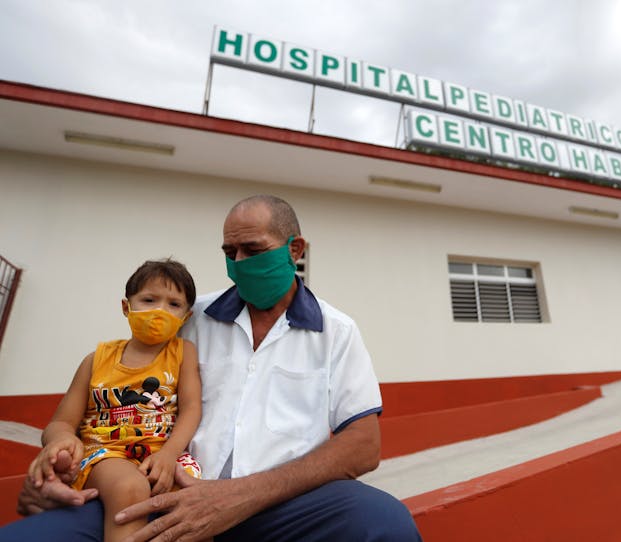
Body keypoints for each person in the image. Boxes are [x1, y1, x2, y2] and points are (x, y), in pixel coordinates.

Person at [2, 195, 421, 542]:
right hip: (163, 493)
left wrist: (240, 496)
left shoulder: (336, 331)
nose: (238, 261)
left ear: (295, 249)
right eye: (229, 252)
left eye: (252, 250)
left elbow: (364, 445)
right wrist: (54, 466)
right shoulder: (189, 316)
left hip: (280, 506)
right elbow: (114, 389)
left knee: (386, 524)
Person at [20, 259, 202, 541]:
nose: (159, 311)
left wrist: (169, 453)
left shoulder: (183, 353)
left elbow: (191, 408)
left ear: (186, 317)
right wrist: (60, 441)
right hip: (106, 452)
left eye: (173, 304)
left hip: (162, 453)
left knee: (197, 503)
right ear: (126, 307)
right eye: (149, 299)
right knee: (130, 487)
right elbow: (61, 422)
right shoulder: (96, 359)